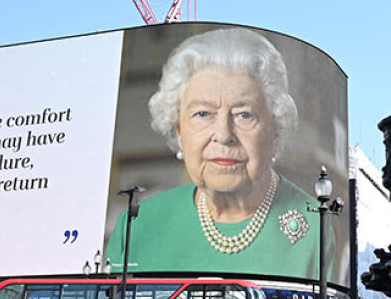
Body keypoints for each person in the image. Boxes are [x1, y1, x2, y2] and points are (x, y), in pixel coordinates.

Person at [107, 28, 319, 279]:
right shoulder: (135, 226)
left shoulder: (315, 224)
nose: (223, 134)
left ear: (274, 131)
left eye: (244, 114)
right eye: (203, 114)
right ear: (178, 131)